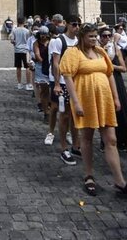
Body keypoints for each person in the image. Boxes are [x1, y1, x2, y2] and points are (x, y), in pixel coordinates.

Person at [60, 23, 127, 201]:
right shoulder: (73, 53)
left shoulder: (100, 52)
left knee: (111, 140)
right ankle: (88, 175)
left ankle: (120, 181)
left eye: (95, 36)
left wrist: (115, 98)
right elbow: (67, 77)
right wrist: (75, 103)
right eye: (90, 36)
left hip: (104, 99)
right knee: (87, 138)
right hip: (85, 99)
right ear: (82, 36)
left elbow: (109, 74)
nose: (94, 39)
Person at [51, 15, 81, 165]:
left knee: (76, 115)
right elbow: (55, 64)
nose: (76, 27)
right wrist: (56, 83)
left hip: (78, 84)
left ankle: (76, 145)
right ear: (67, 25)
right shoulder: (59, 41)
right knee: (65, 115)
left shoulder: (79, 42)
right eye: (74, 24)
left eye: (78, 25)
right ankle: (64, 148)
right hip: (63, 83)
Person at [100, 25, 127, 151]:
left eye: (109, 35)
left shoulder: (116, 48)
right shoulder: (97, 50)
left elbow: (123, 68)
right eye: (104, 36)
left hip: (117, 80)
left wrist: (110, 65)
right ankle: (106, 141)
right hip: (103, 82)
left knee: (121, 110)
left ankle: (123, 140)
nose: (107, 38)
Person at [10, 16, 31, 90]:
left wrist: (15, 43)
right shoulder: (27, 31)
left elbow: (12, 40)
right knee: (27, 67)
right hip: (25, 51)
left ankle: (19, 83)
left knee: (18, 67)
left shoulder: (14, 30)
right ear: (24, 22)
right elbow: (29, 41)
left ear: (18, 22)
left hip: (17, 50)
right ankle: (28, 84)